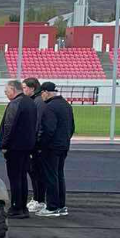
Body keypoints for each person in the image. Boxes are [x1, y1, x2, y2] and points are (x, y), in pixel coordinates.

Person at [0, 79, 38, 218]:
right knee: (22, 177)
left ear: (13, 90)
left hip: (15, 147)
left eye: (6, 91)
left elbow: (9, 125)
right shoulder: (30, 102)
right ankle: (22, 207)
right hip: (27, 146)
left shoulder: (15, 103)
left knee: (15, 178)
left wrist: (4, 144)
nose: (6, 94)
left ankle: (16, 208)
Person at [36, 82, 75, 217]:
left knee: (51, 176)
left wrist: (41, 146)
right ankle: (61, 205)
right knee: (59, 175)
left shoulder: (50, 107)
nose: (41, 96)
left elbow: (48, 130)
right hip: (63, 145)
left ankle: (52, 207)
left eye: (42, 93)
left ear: (46, 92)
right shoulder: (66, 105)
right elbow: (72, 128)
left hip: (51, 147)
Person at [22, 77, 47, 212]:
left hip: (37, 146)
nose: (23, 90)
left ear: (32, 88)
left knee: (36, 173)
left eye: (25, 87)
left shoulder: (37, 103)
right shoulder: (36, 101)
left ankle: (39, 200)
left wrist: (34, 144)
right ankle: (38, 198)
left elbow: (37, 126)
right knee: (34, 173)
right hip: (36, 144)